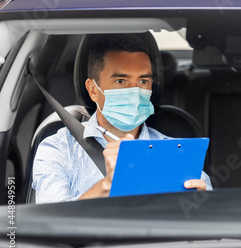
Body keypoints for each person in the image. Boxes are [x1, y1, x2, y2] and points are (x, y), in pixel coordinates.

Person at [33, 34, 211, 203]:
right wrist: (106, 185)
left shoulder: (178, 152)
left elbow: (207, 222)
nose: (135, 92)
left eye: (143, 81)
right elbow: (49, 223)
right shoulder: (59, 148)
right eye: (121, 81)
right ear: (93, 90)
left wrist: (201, 207)